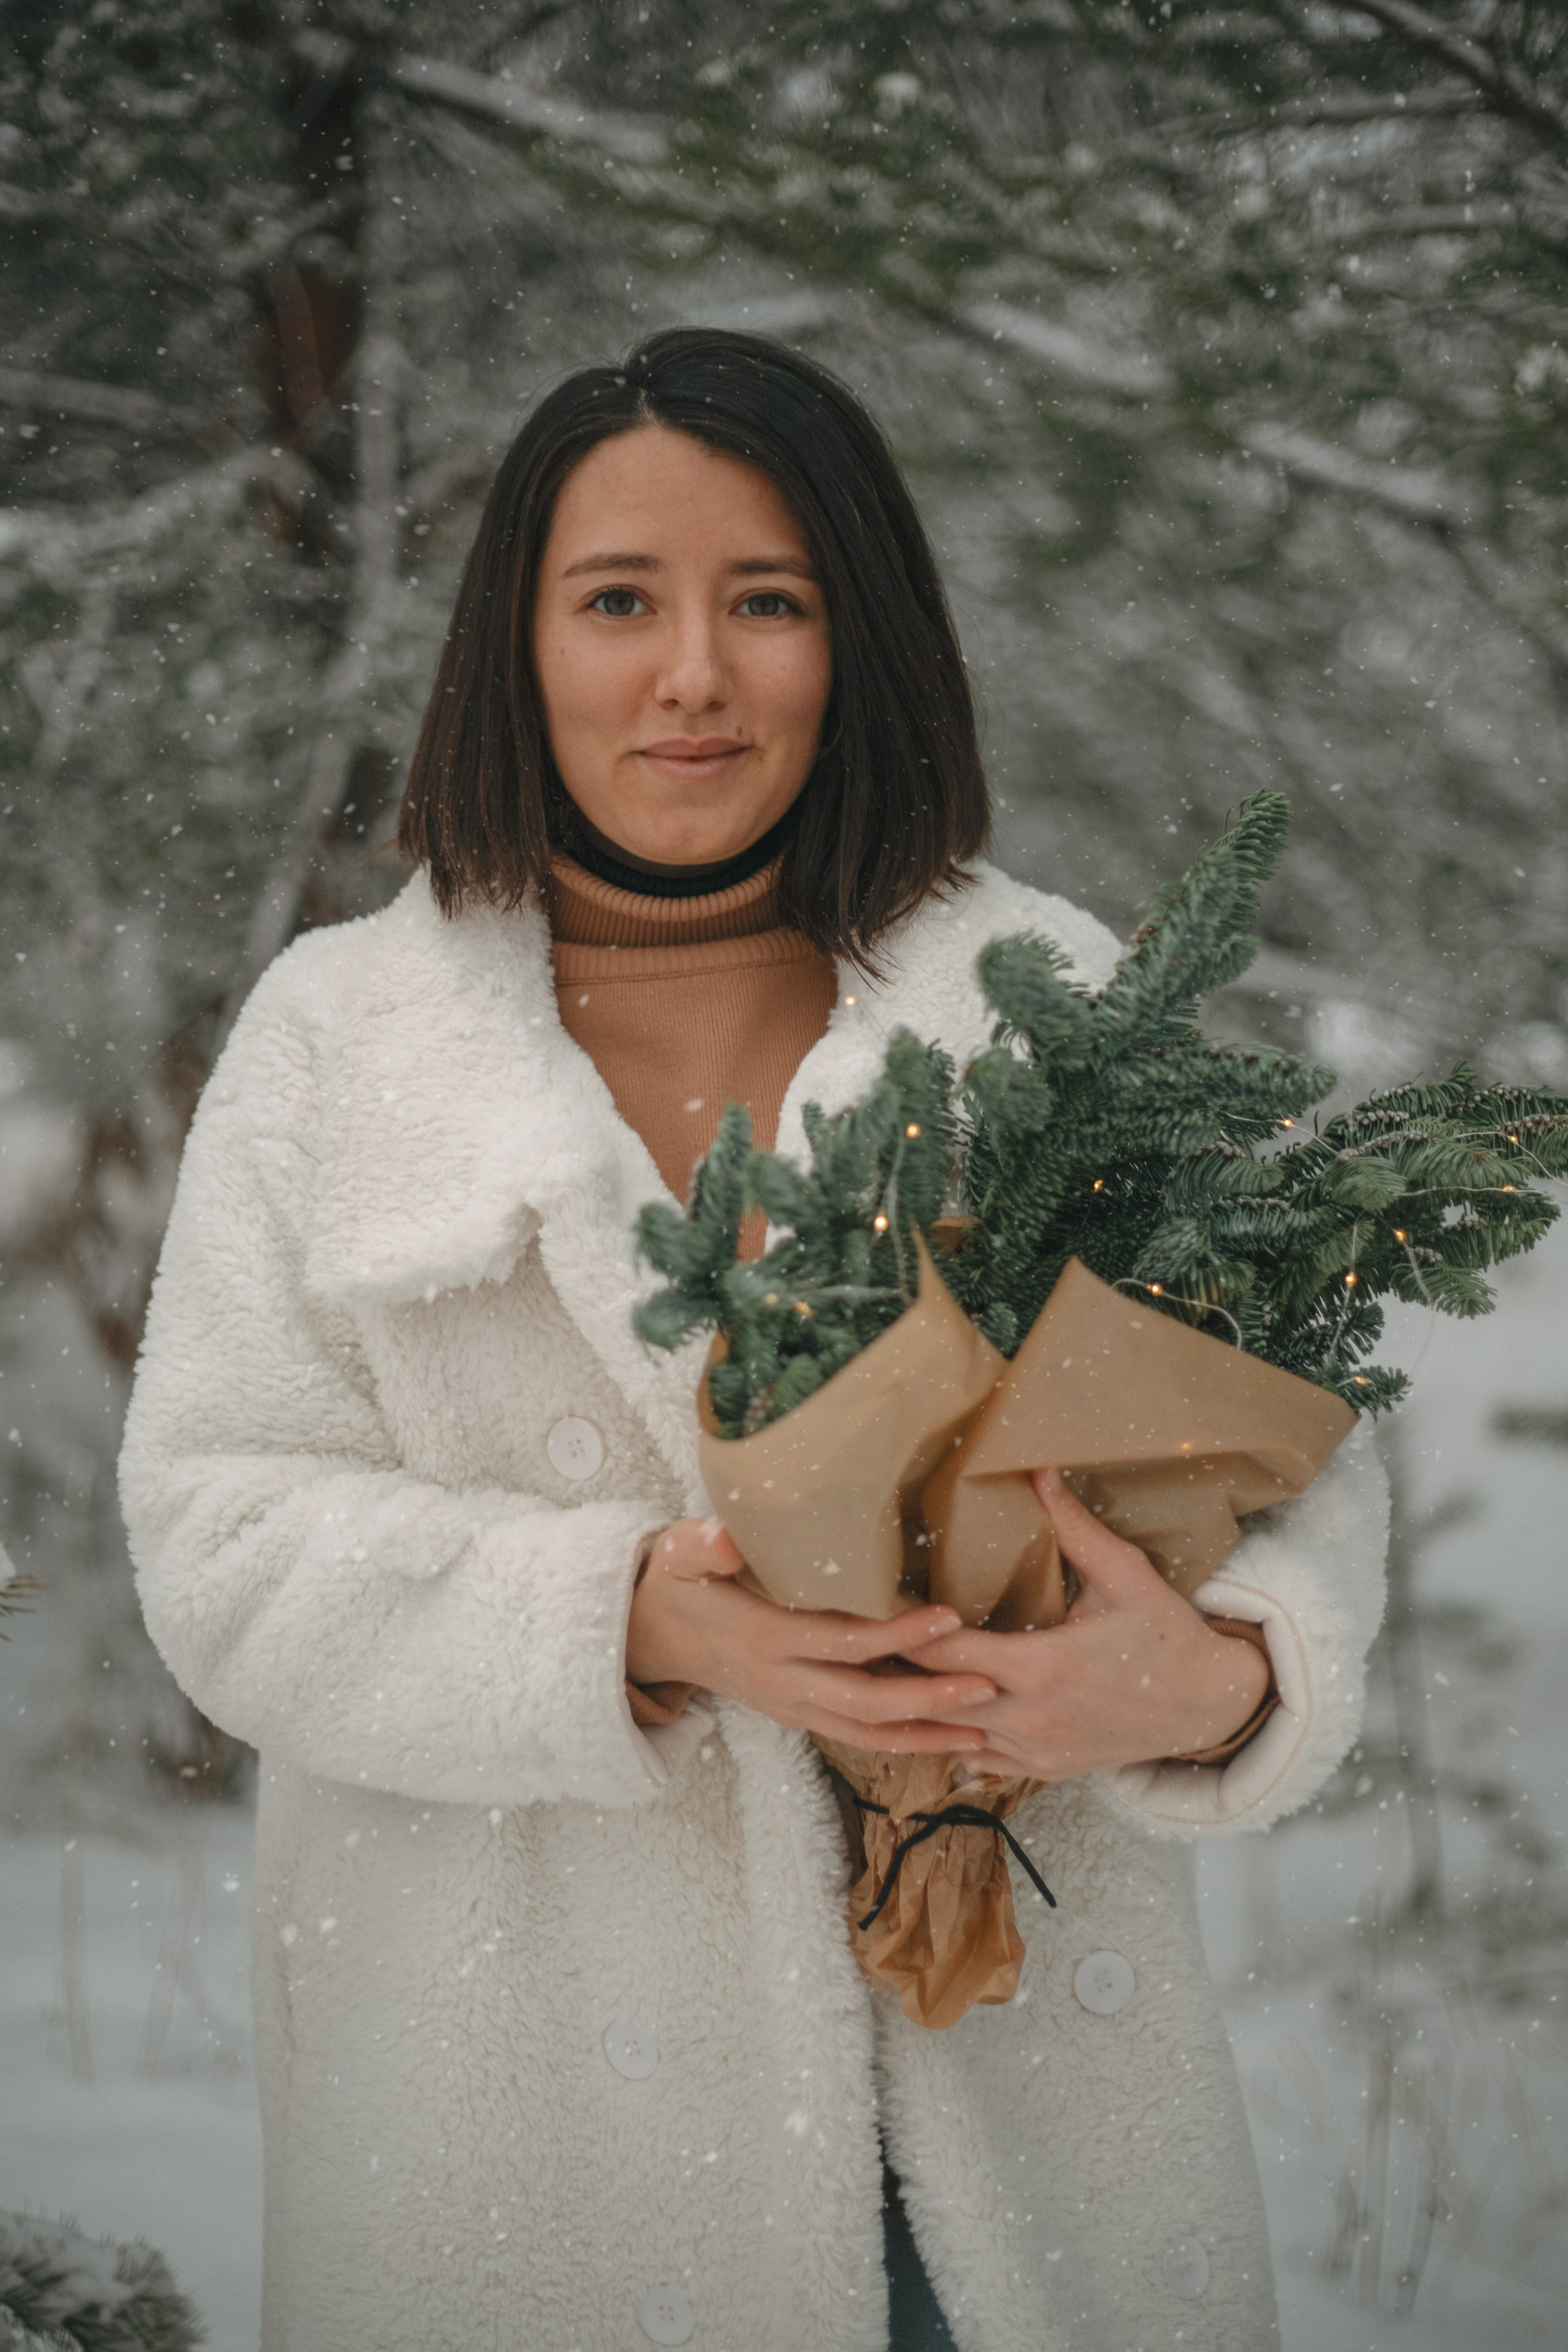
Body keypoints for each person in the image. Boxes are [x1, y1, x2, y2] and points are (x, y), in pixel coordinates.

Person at [119, 328, 1389, 2352]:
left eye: (766, 601)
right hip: (525, 2138)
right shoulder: (340, 1043)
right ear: (516, 644)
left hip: (1013, 2117)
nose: (693, 670)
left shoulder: (1038, 989)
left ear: (857, 634)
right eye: (619, 599)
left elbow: (1302, 1435)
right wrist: (629, 1621)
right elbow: (219, 1543)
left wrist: (1217, 1678)